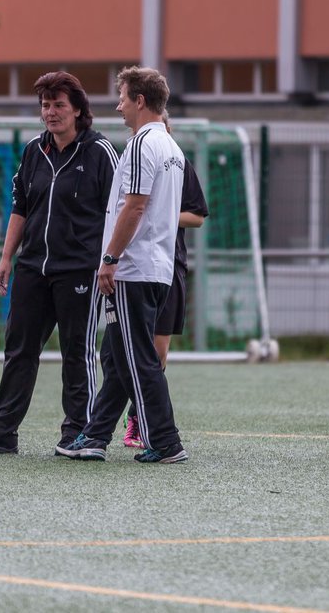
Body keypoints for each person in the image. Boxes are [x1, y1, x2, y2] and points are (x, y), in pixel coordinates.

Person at [0, 71, 117, 455]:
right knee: (19, 350)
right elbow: (20, 208)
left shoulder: (101, 152)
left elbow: (118, 211)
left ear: (77, 109)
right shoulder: (33, 151)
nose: (51, 112)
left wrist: (110, 262)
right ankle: (2, 433)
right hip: (32, 268)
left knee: (76, 352)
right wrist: (5, 259)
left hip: (80, 270)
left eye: (59, 105)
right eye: (45, 105)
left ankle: (78, 432)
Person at [58, 66, 188, 464]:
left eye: (122, 97)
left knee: (137, 358)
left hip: (133, 268)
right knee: (116, 356)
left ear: (140, 101)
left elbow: (134, 206)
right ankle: (96, 435)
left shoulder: (141, 144)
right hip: (157, 267)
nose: (118, 106)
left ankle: (166, 441)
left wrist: (110, 259)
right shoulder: (172, 147)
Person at [123, 117, 208, 450]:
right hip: (132, 267)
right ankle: (127, 419)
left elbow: (197, 215)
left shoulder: (177, 162)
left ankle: (139, 420)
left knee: (156, 353)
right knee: (122, 351)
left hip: (168, 266)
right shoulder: (130, 158)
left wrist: (160, 213)